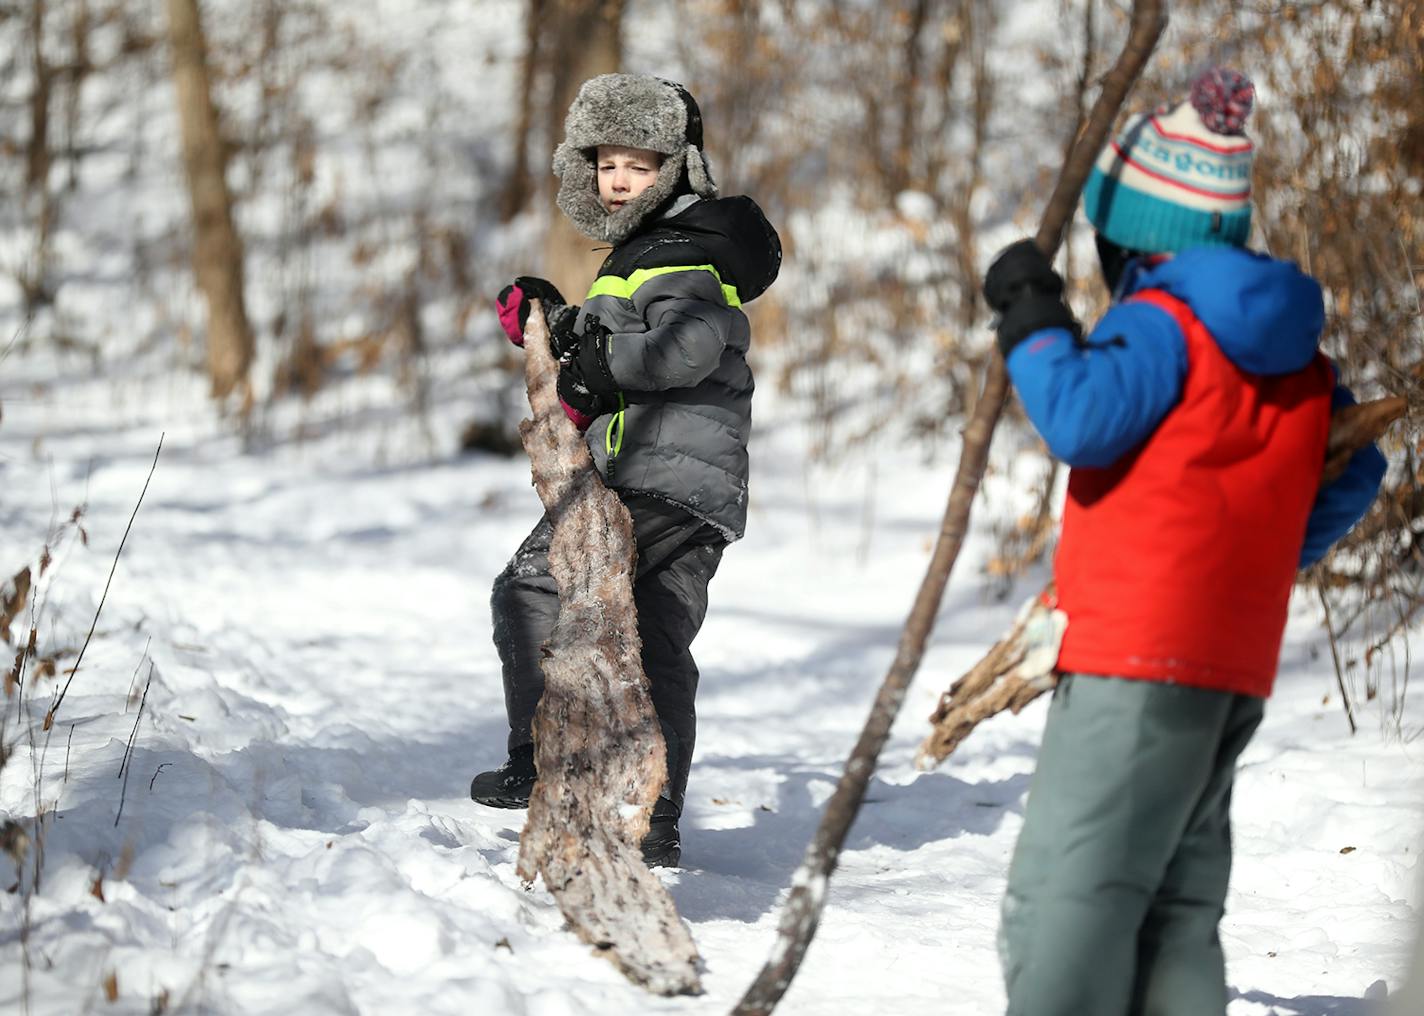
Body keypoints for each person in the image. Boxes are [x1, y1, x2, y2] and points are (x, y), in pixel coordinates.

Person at [981, 67, 1387, 1015]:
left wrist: (1034, 322)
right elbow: (1354, 469)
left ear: (1133, 237)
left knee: (1070, 895)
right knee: (1176, 901)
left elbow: (1081, 418)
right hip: (1229, 662)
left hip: (1136, 660)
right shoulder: (1297, 357)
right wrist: (1257, 560)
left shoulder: (1164, 323)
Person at [471, 74, 781, 868]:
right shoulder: (651, 254)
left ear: (677, 168)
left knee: (537, 582)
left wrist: (595, 366)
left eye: (639, 166)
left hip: (657, 473)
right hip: (699, 486)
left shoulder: (681, 253)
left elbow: (683, 343)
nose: (619, 180)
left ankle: (543, 754)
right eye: (608, 163)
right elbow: (622, 339)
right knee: (656, 640)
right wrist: (554, 323)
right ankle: (657, 812)